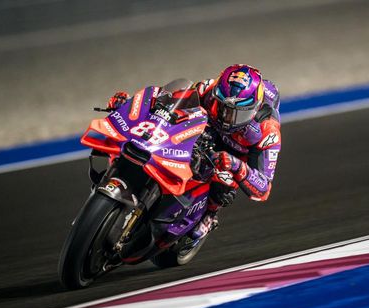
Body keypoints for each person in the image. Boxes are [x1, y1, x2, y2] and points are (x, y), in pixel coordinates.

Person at [107, 64, 282, 241]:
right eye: (222, 107)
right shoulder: (207, 89)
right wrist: (130, 104)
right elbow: (167, 102)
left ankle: (210, 214)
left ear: (255, 108)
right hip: (207, 130)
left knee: (224, 183)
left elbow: (263, 189)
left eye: (236, 113)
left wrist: (237, 166)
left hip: (235, 154)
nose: (227, 117)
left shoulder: (268, 131)